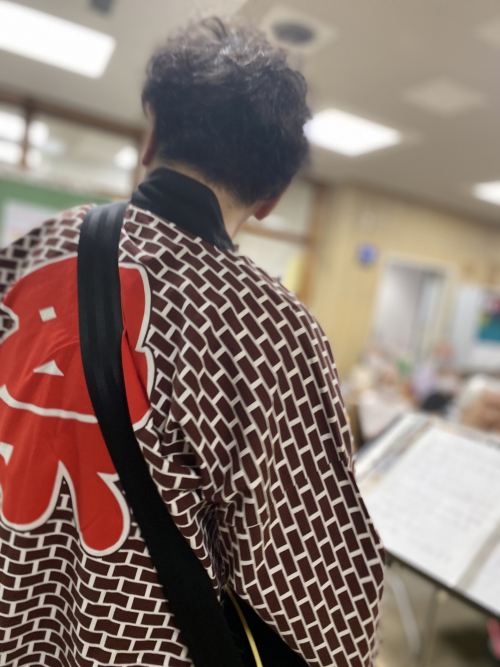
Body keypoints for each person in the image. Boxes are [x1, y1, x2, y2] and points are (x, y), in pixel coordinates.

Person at [0, 18, 384, 667]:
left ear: (152, 132)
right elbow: (322, 590)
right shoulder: (271, 328)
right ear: (273, 195)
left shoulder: (33, 250)